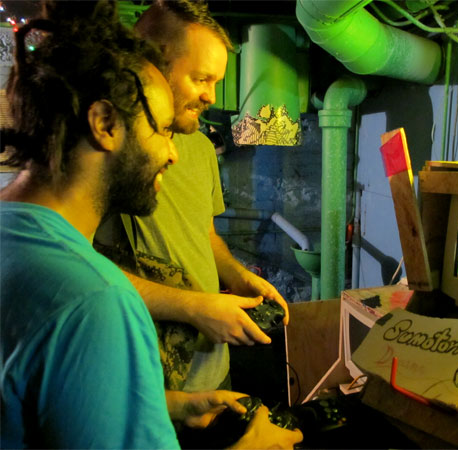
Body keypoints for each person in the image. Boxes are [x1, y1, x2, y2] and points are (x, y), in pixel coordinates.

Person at [0, 1, 302, 449]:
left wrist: (168, 405)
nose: (173, 152)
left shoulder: (13, 231)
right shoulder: (96, 302)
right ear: (105, 123)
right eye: (160, 129)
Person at [94, 0, 290, 394]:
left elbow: (205, 234)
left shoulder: (199, 147)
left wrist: (239, 277)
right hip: (144, 384)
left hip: (211, 372)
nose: (211, 97)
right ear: (152, 62)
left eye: (216, 82)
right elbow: (80, 273)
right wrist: (195, 308)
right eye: (201, 79)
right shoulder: (110, 151)